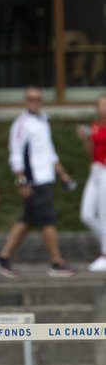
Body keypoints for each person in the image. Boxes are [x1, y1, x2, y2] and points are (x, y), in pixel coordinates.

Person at [0, 86, 76, 278]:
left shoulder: (42, 120)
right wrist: (21, 181)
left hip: (45, 178)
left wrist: (62, 174)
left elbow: (49, 151)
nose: (35, 102)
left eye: (38, 99)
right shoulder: (22, 124)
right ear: (25, 101)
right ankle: (56, 262)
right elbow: (15, 155)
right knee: (48, 220)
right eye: (31, 99)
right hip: (35, 181)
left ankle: (3, 257)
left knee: (28, 220)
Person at [77, 94, 106, 272]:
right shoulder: (94, 126)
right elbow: (90, 151)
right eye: (101, 105)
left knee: (104, 215)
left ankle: (104, 255)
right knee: (86, 215)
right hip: (94, 170)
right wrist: (85, 139)